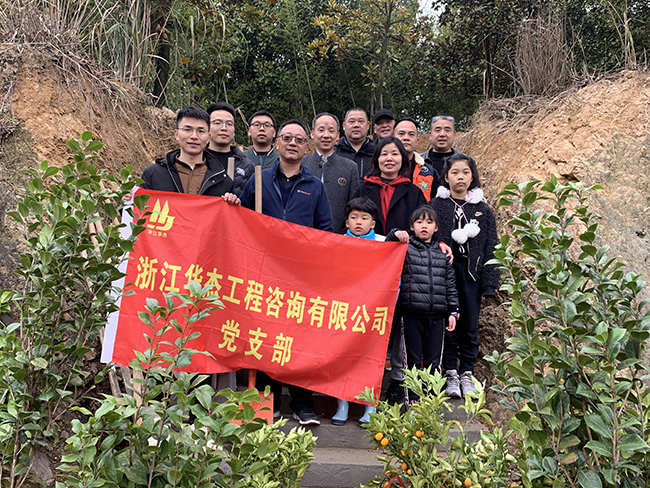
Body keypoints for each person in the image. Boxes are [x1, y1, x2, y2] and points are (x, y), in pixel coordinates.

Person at [240, 119, 333, 426]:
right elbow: (240, 221)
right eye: (287, 138)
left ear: (307, 147)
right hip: (264, 274)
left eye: (299, 140)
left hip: (300, 277)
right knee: (265, 337)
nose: (293, 143)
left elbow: (325, 231)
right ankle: (268, 401)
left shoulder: (315, 186)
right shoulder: (258, 180)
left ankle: (303, 403)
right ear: (277, 143)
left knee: (299, 339)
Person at [353, 136, 426, 403]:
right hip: (367, 268)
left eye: (395, 154)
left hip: (401, 267)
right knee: (367, 321)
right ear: (376, 159)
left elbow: (422, 228)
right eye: (384, 154)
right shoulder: (362, 188)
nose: (389, 159)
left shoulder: (414, 192)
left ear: (402, 159)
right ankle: (360, 379)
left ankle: (397, 381)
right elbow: (351, 221)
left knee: (398, 324)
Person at [427, 153, 499, 398]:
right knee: (448, 323)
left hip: (471, 275)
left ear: (472, 176)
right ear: (446, 177)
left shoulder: (483, 210)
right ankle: (450, 372)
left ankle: (467, 371)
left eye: (465, 172)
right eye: (455, 172)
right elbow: (426, 237)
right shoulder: (436, 206)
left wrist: (489, 283)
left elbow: (492, 246)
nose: (460, 177)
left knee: (469, 324)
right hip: (444, 275)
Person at [385, 206, 459, 402]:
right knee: (412, 362)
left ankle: (431, 406)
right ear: (412, 226)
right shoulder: (405, 248)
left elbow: (450, 284)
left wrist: (453, 311)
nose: (424, 226)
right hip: (410, 314)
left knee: (434, 364)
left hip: (437, 316)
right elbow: (387, 245)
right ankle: (412, 404)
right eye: (419, 222)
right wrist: (395, 233)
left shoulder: (442, 253)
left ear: (436, 228)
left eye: (429, 222)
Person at [330, 197, 381, 427]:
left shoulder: (383, 244)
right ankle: (342, 405)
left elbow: (394, 278)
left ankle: (370, 406)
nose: (358, 222)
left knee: (370, 358)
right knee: (342, 358)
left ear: (373, 223)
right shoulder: (337, 242)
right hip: (344, 309)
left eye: (364, 218)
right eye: (353, 217)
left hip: (373, 311)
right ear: (346, 222)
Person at [141, 106, 237, 200]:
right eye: (187, 130)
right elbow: (141, 207)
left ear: (208, 137)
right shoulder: (154, 174)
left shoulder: (222, 181)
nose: (194, 136)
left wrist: (232, 203)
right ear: (176, 134)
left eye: (200, 131)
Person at [302, 113, 360, 233]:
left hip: (338, 235)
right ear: (312, 134)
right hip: (304, 233)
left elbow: (354, 207)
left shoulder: (350, 167)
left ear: (337, 136)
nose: (326, 135)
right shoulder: (301, 164)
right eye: (321, 130)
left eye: (331, 131)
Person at [205, 102, 255, 196]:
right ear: (206, 128)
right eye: (217, 123)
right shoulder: (198, 160)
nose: (224, 128)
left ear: (234, 131)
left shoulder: (247, 166)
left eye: (229, 124)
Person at [394, 117, 440, 201]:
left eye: (411, 134)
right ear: (392, 138)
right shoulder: (383, 169)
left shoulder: (430, 172)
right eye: (401, 134)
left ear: (417, 141)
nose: (406, 138)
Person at [335, 107, 376, 179]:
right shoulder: (334, 153)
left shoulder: (377, 153)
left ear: (368, 125)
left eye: (361, 121)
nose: (356, 125)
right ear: (344, 126)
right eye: (351, 121)